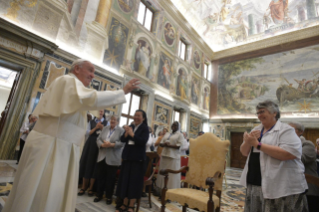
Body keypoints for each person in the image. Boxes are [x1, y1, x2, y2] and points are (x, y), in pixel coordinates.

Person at [3, 59, 140, 212]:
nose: (93, 75)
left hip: (61, 147)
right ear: (76, 69)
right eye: (90, 70)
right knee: (42, 192)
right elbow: (92, 98)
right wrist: (123, 91)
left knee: (51, 192)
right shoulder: (68, 81)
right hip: (53, 148)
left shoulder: (73, 87)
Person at [240, 100, 308, 212]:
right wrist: (247, 141)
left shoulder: (286, 130)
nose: (259, 115)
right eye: (257, 113)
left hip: (281, 186)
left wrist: (257, 144)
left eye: (262, 111)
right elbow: (244, 152)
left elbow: (289, 154)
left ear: (274, 113)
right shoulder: (256, 130)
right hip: (255, 183)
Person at [115, 110, 149, 212]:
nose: (136, 117)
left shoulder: (145, 128)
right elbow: (122, 139)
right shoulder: (132, 126)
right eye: (135, 115)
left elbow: (143, 141)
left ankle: (131, 205)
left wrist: (132, 134)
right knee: (125, 181)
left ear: (143, 118)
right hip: (127, 158)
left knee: (134, 182)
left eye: (138, 116)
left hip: (137, 160)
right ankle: (124, 204)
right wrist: (126, 133)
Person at [94, 115, 124, 205]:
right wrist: (102, 145)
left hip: (113, 158)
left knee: (110, 179)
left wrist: (111, 144)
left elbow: (122, 143)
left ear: (118, 122)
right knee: (100, 177)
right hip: (102, 156)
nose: (113, 121)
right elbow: (98, 139)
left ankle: (108, 197)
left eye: (115, 120)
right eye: (112, 119)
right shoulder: (105, 128)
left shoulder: (121, 131)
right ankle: (99, 195)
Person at [289, 122, 319, 212]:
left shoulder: (307, 145)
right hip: (291, 190)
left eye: (291, 129)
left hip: (308, 190)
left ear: (300, 132)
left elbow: (299, 159)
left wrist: (280, 153)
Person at [79, 109, 108, 196]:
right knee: (87, 164)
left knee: (95, 166)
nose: (100, 112)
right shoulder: (91, 121)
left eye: (102, 111)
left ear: (104, 113)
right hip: (90, 144)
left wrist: (102, 128)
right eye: (99, 110)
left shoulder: (106, 123)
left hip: (99, 145)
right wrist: (96, 127)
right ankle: (83, 187)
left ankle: (91, 188)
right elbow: (87, 133)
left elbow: (107, 135)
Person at [156, 121, 183, 198]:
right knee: (162, 174)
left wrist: (169, 145)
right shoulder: (167, 134)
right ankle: (161, 191)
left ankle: (170, 194)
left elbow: (179, 146)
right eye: (173, 124)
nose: (174, 126)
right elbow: (160, 143)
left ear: (178, 127)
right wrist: (163, 144)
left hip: (173, 157)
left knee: (171, 176)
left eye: (176, 125)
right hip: (165, 156)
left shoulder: (180, 135)